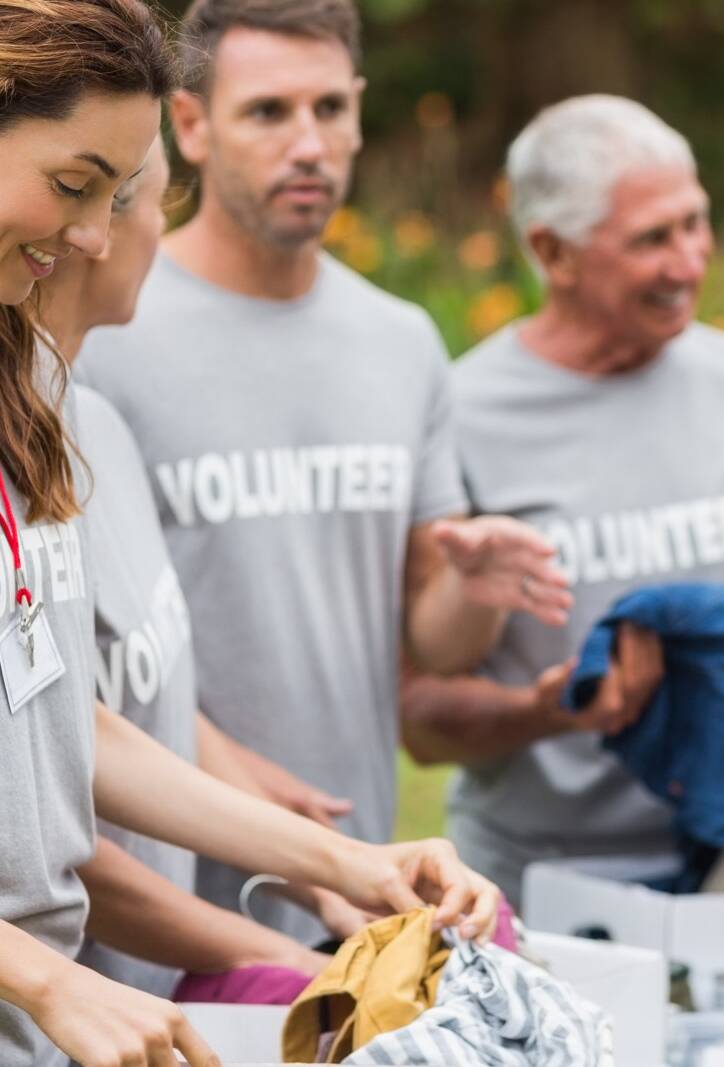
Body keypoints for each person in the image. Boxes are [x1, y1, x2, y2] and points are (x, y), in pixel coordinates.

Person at [0, 8, 499, 1063]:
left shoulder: (34, 404)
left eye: (112, 193)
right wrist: (47, 973)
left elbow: (68, 723)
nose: (93, 234)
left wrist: (350, 861)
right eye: (74, 182)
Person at [77, 0, 569, 944]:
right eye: (268, 112)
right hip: (146, 898)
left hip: (358, 887)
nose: (308, 144)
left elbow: (436, 645)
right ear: (190, 126)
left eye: (329, 109)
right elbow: (76, 668)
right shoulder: (110, 321)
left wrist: (471, 588)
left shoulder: (402, 340)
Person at [401, 95, 724, 905]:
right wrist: (548, 711)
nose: (689, 262)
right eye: (653, 238)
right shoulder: (458, 410)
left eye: (695, 222)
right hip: (535, 879)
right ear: (553, 251)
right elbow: (421, 714)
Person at [38, 137, 357, 997]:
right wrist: (267, 951)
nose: (161, 232)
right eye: (160, 202)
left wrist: (311, 854)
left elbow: (131, 688)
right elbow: (48, 797)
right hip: (77, 1001)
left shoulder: (96, 424)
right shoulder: (26, 455)